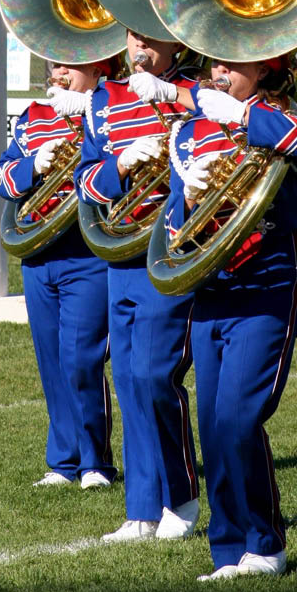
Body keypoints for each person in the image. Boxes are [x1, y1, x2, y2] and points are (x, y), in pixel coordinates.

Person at [160, 53, 297, 578]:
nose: (218, 73)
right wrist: (188, 198)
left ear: (265, 69)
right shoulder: (191, 131)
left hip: (268, 285)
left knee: (237, 418)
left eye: (233, 64)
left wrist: (241, 117)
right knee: (212, 426)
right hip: (213, 288)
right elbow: (171, 224)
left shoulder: (290, 117)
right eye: (216, 63)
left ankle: (266, 543)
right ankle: (229, 550)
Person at [72, 29, 200, 542]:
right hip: (119, 255)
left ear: (176, 44)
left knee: (152, 376)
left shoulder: (194, 94)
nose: (139, 46)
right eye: (132, 35)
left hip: (169, 248)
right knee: (127, 381)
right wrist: (121, 166)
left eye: (151, 37)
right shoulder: (104, 99)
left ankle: (182, 494)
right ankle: (142, 509)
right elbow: (84, 181)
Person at [0, 59, 118, 490]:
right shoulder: (34, 118)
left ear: (99, 70)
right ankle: (64, 462)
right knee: (51, 363)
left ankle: (95, 460)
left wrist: (87, 113)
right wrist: (34, 167)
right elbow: (3, 177)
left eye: (71, 67)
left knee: (80, 358)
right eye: (55, 66)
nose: (59, 75)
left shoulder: (107, 115)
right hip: (39, 257)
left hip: (87, 255)